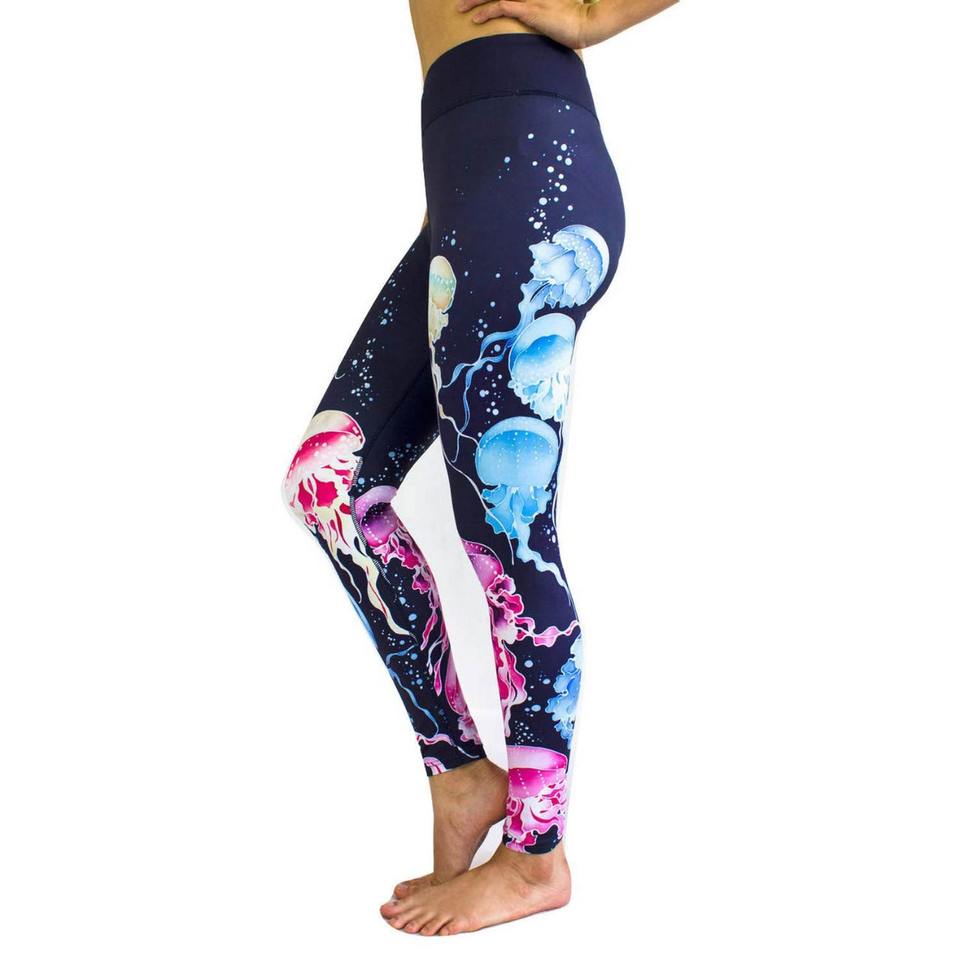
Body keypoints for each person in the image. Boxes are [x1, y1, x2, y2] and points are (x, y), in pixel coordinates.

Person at [283, 0, 678, 936]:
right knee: (329, 482)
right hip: (471, 174)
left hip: (527, 164)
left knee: (505, 534)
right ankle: (461, 772)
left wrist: (588, 13)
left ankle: (537, 856)